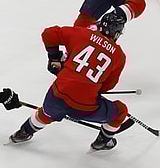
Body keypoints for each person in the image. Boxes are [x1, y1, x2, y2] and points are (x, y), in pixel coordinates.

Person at [8, 12, 128, 151]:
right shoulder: (119, 56)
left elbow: (49, 34)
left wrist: (54, 58)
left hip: (56, 96)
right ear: (117, 33)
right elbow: (108, 86)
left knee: (45, 113)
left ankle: (24, 132)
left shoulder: (82, 33)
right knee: (121, 111)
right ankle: (103, 141)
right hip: (84, 107)